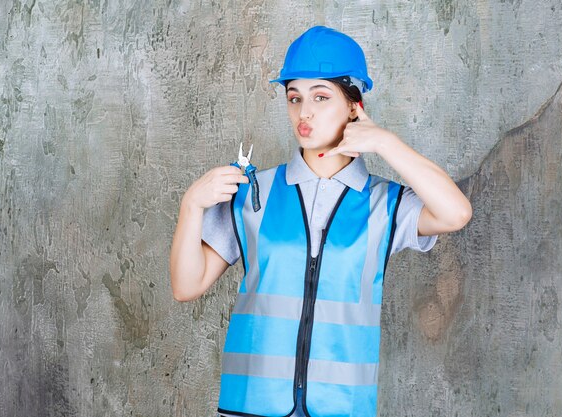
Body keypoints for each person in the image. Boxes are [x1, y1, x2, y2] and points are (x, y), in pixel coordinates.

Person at [170, 25, 472, 417]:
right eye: (294, 97)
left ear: (353, 105)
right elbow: (185, 285)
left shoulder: (385, 204)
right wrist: (191, 206)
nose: (304, 112)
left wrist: (384, 141)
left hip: (341, 408)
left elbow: (456, 213)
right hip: (251, 407)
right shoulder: (253, 193)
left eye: (321, 97)